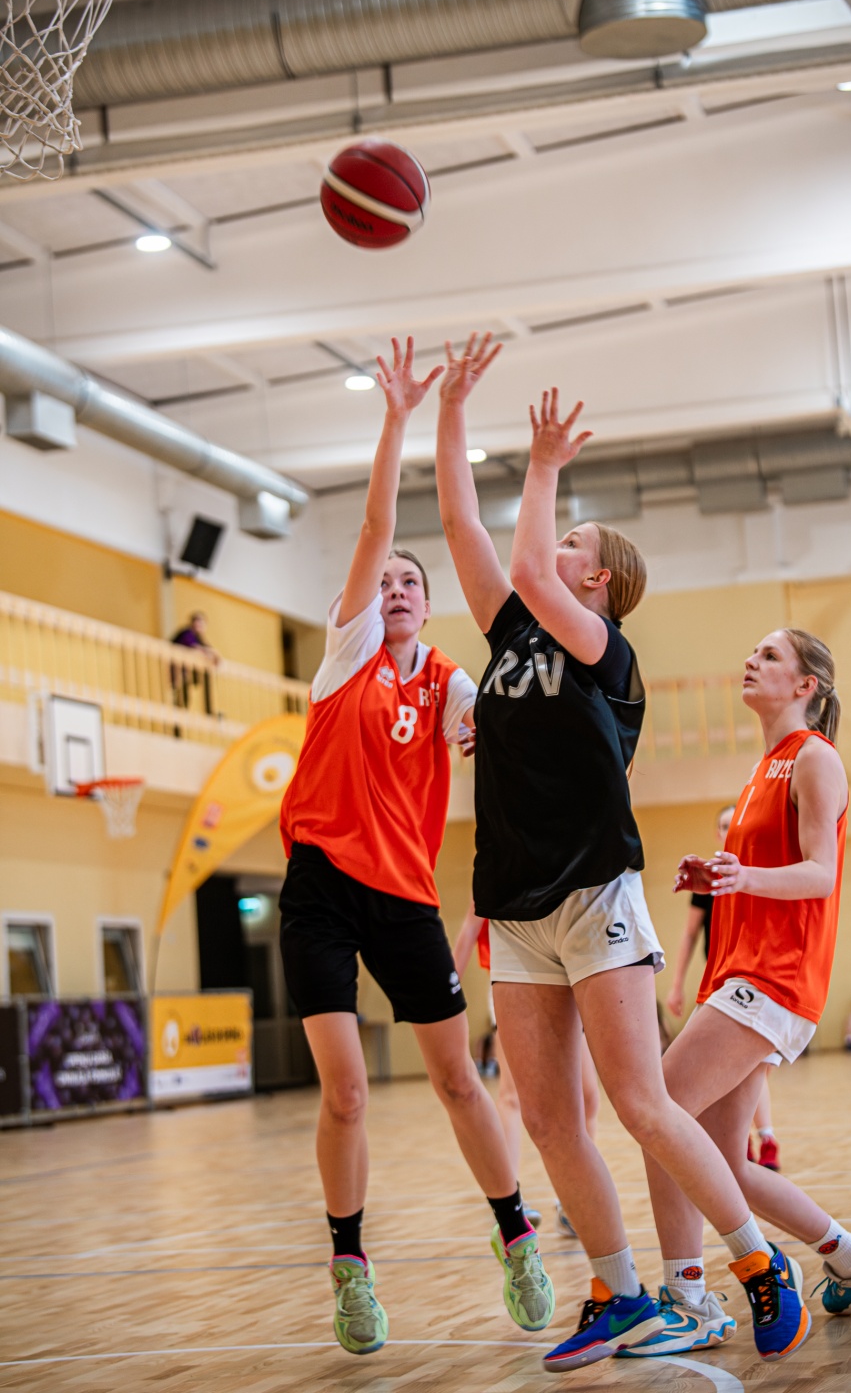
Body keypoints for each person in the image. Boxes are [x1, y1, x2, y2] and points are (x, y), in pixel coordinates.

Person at [436, 335, 807, 1372]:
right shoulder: (509, 639)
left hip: (595, 891)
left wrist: (543, 463)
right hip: (514, 903)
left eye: (569, 542)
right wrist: (450, 408)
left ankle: (758, 1264)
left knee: (642, 1103)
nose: (547, 551)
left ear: (594, 578)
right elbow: (464, 525)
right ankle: (619, 1291)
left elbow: (520, 560)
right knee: (552, 1120)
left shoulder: (607, 653)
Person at [277, 337, 554, 1359]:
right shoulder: (347, 654)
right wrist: (398, 413)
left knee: (455, 1081)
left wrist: (489, 737)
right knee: (347, 1090)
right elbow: (375, 524)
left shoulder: (449, 682)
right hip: (318, 887)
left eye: (409, 583)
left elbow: (494, 730)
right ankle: (350, 1266)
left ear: (428, 608)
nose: (393, 586)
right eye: (385, 579)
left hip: (403, 897)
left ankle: (517, 1238)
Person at [629, 628, 851, 1362]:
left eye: (770, 655)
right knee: (724, 1163)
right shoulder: (765, 765)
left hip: (774, 978)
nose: (751, 661)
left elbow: (820, 873)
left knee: (658, 1111)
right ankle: (850, 1256)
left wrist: (744, 876)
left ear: (806, 685)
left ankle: (688, 1297)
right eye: (753, 652)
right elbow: (764, 873)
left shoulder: (814, 758)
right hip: (742, 973)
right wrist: (721, 876)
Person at [453, 901, 601, 1238]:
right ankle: (510, 1198)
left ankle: (574, 1201)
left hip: (568, 979)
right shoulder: (493, 879)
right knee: (512, 1096)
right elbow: (468, 931)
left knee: (588, 1096)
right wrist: (446, 993)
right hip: (513, 981)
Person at [667, 804, 781, 1173]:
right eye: (723, 825)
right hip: (719, 981)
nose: (729, 829)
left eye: (734, 823)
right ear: (717, 834)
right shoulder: (709, 879)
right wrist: (676, 985)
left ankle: (765, 1137)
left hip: (755, 981)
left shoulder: (762, 874)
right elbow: (689, 935)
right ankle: (741, 1139)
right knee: (726, 1069)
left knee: (752, 1067)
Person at [170, 611, 219, 717]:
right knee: (183, 690)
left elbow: (207, 649)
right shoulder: (187, 633)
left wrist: (214, 654)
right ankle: (184, 709)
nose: (199, 625)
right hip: (178, 669)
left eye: (202, 623)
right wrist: (210, 653)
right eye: (197, 621)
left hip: (186, 670)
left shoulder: (198, 638)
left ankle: (207, 710)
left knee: (205, 674)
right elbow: (195, 648)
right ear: (192, 623)